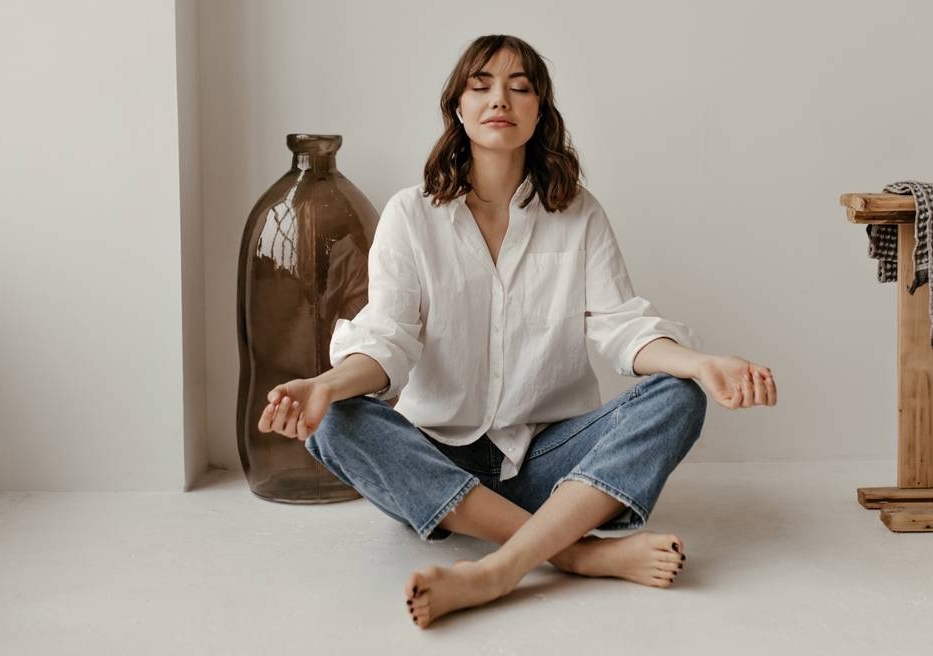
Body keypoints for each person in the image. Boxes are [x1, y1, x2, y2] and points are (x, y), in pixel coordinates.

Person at [257, 35, 777, 629]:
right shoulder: (411, 215)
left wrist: (701, 364)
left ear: (539, 110)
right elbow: (387, 340)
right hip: (435, 467)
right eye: (481, 86)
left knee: (679, 395)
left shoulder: (578, 213)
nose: (499, 99)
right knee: (334, 417)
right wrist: (324, 386)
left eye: (519, 87)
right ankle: (576, 554)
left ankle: (496, 571)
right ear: (458, 107)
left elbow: (622, 327)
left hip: (550, 465)